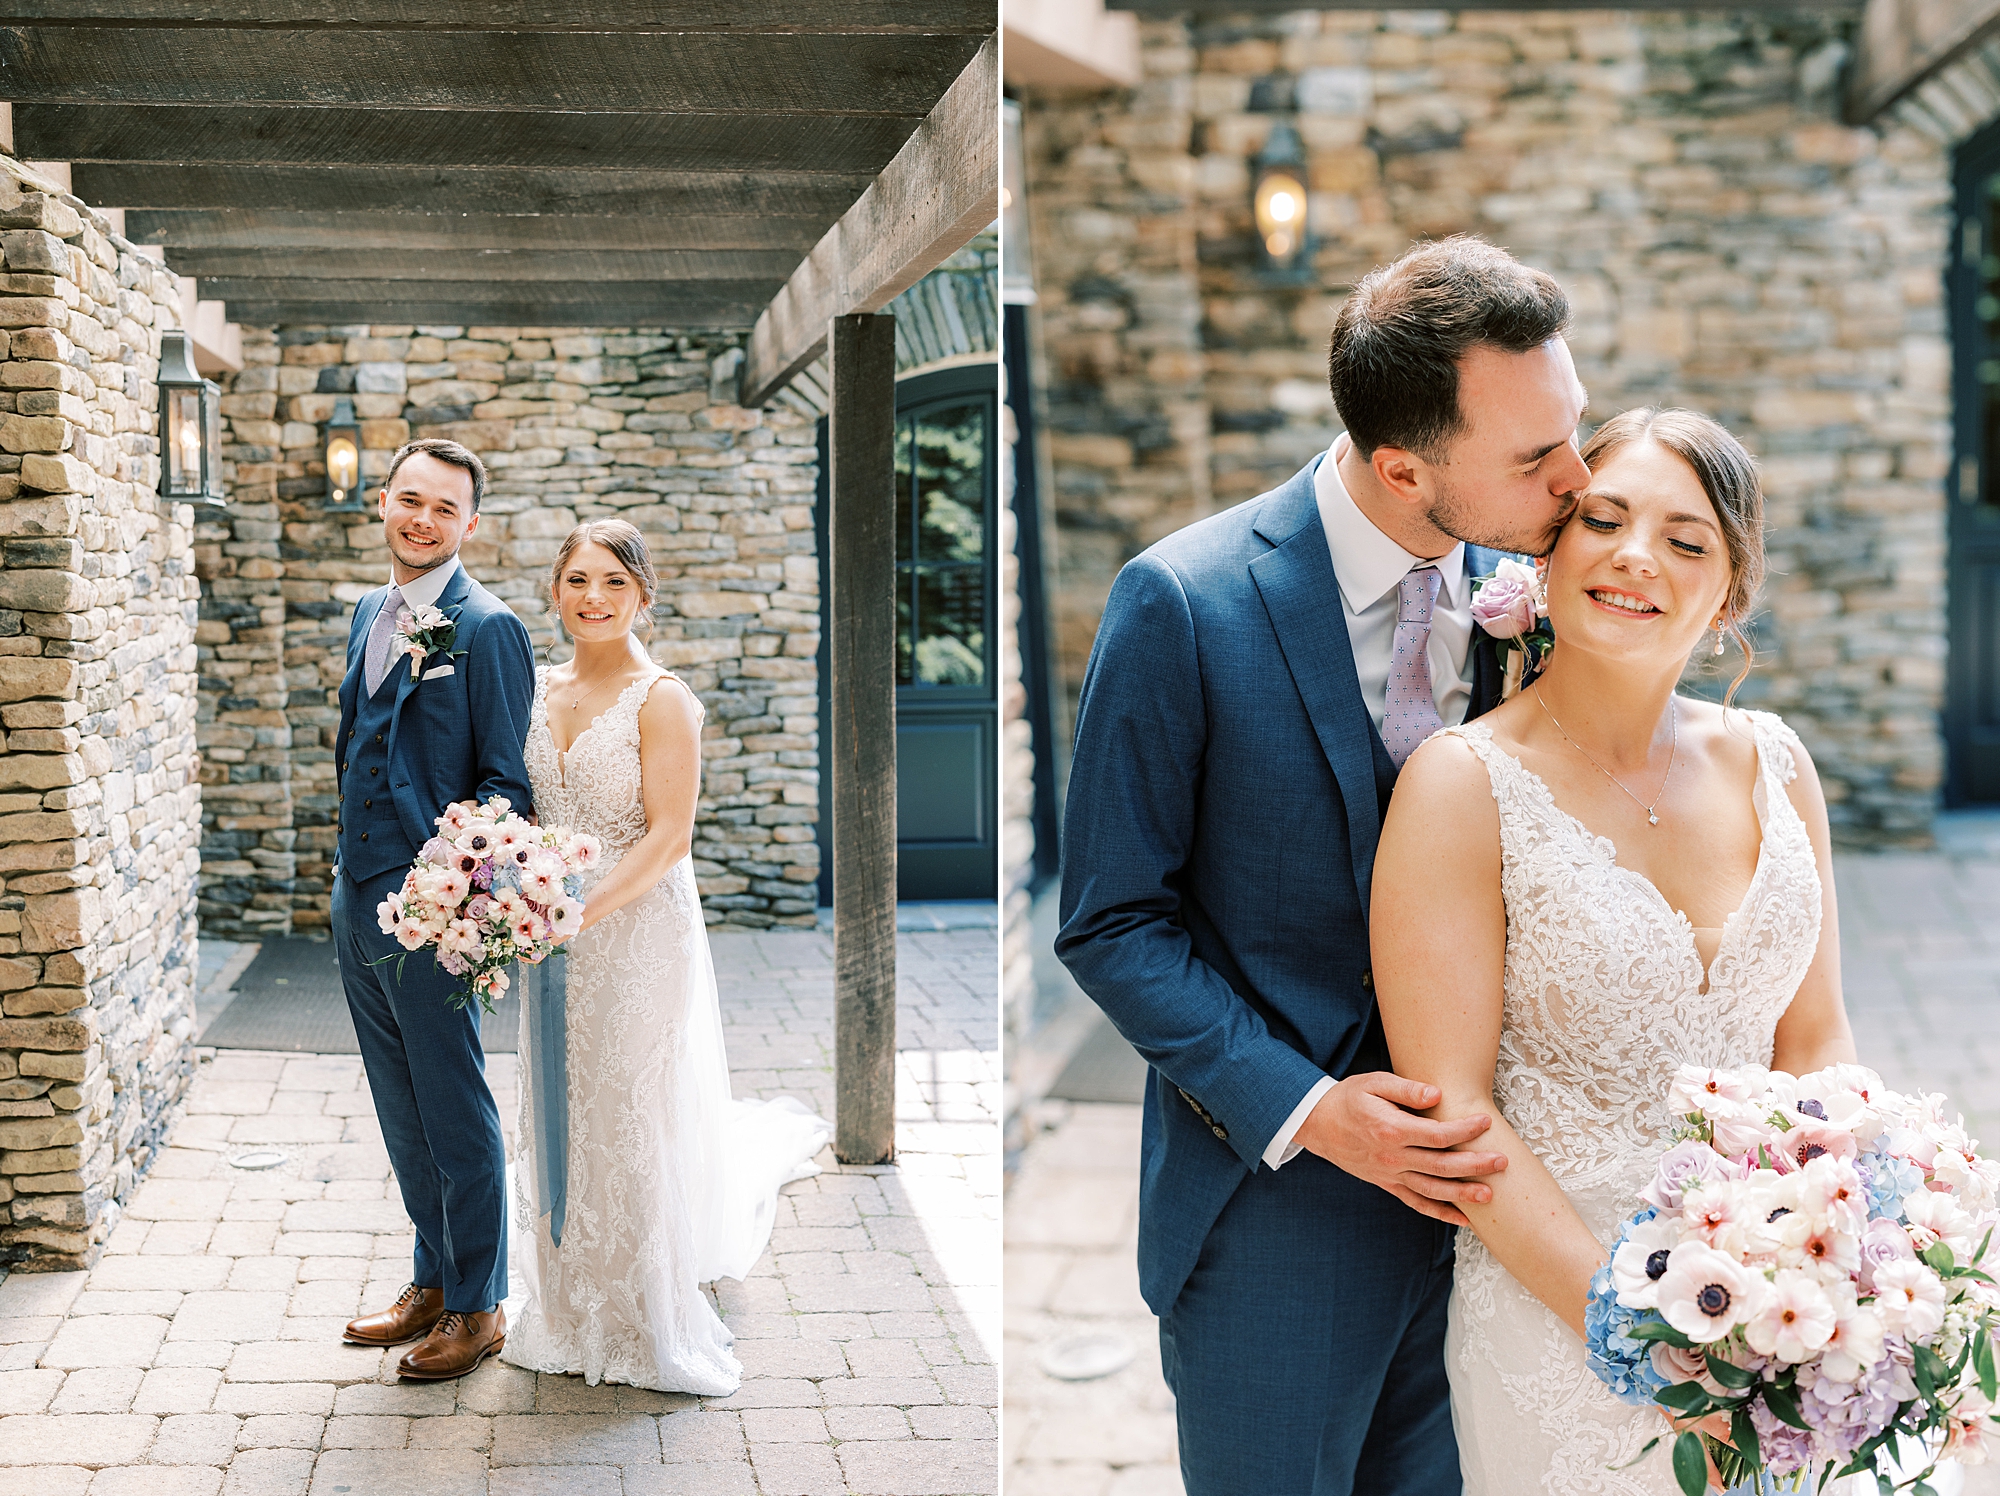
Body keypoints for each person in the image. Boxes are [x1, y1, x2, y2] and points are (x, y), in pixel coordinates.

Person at [1056, 236, 1592, 1493]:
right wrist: (1311, 1112)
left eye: (1571, 427)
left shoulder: (1539, 587)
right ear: (1404, 467)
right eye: (1535, 455)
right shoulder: (1180, 605)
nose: (1578, 478)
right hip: (1275, 1221)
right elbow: (1110, 921)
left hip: (1507, 1216)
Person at [1372, 407, 1862, 1494]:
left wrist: (1833, 1254)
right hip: (1554, 1306)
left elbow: (1816, 1036)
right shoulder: (1461, 783)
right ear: (1546, 551)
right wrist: (1653, 1339)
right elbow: (1452, 1109)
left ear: (1727, 591)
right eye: (1603, 519)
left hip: (1768, 1316)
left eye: (1685, 539)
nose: (1636, 554)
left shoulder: (1776, 765)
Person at [501, 519, 830, 1395]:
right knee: (557, 1103)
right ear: (555, 590)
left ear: (644, 593)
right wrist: (514, 894)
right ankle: (566, 1309)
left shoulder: (663, 699)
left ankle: (646, 1316)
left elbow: (669, 837)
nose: (594, 599)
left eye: (613, 582)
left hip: (638, 926)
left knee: (629, 1104)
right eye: (577, 581)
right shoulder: (533, 687)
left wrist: (580, 910)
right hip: (547, 924)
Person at [334, 438, 533, 1379]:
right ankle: (429, 1275)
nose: (422, 520)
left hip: (436, 911)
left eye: (443, 509)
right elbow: (359, 744)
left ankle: (479, 1303)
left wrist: (457, 898)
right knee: (397, 1100)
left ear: (470, 526)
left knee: (454, 1102)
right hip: (355, 893)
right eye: (409, 500)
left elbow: (507, 788)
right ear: (384, 501)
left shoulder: (487, 629)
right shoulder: (371, 612)